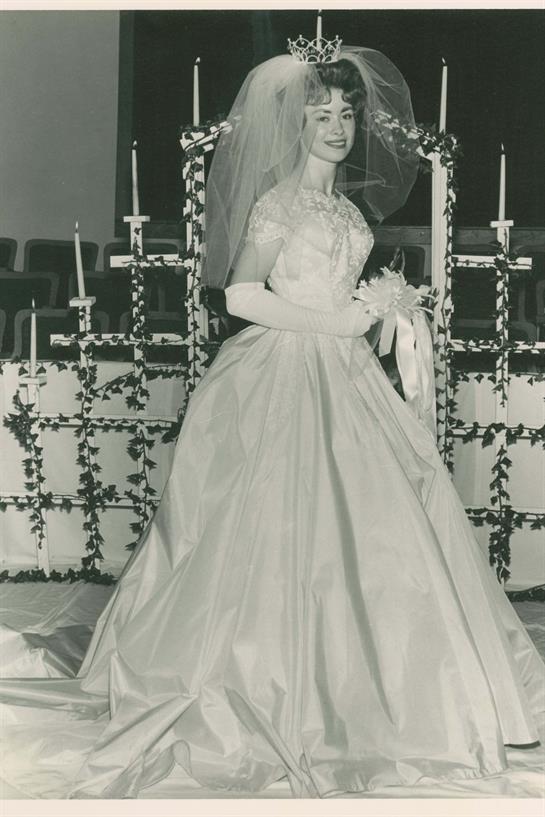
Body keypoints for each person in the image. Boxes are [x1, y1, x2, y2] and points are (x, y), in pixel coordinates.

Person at [1, 35, 544, 800]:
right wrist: (338, 323)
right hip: (280, 369)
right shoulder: (278, 201)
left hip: (346, 374)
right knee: (273, 527)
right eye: (320, 114)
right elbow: (238, 295)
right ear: (292, 124)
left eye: (345, 114)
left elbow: (337, 291)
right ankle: (273, 683)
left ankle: (374, 688)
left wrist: (378, 311)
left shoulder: (343, 206)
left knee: (377, 529)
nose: (335, 126)